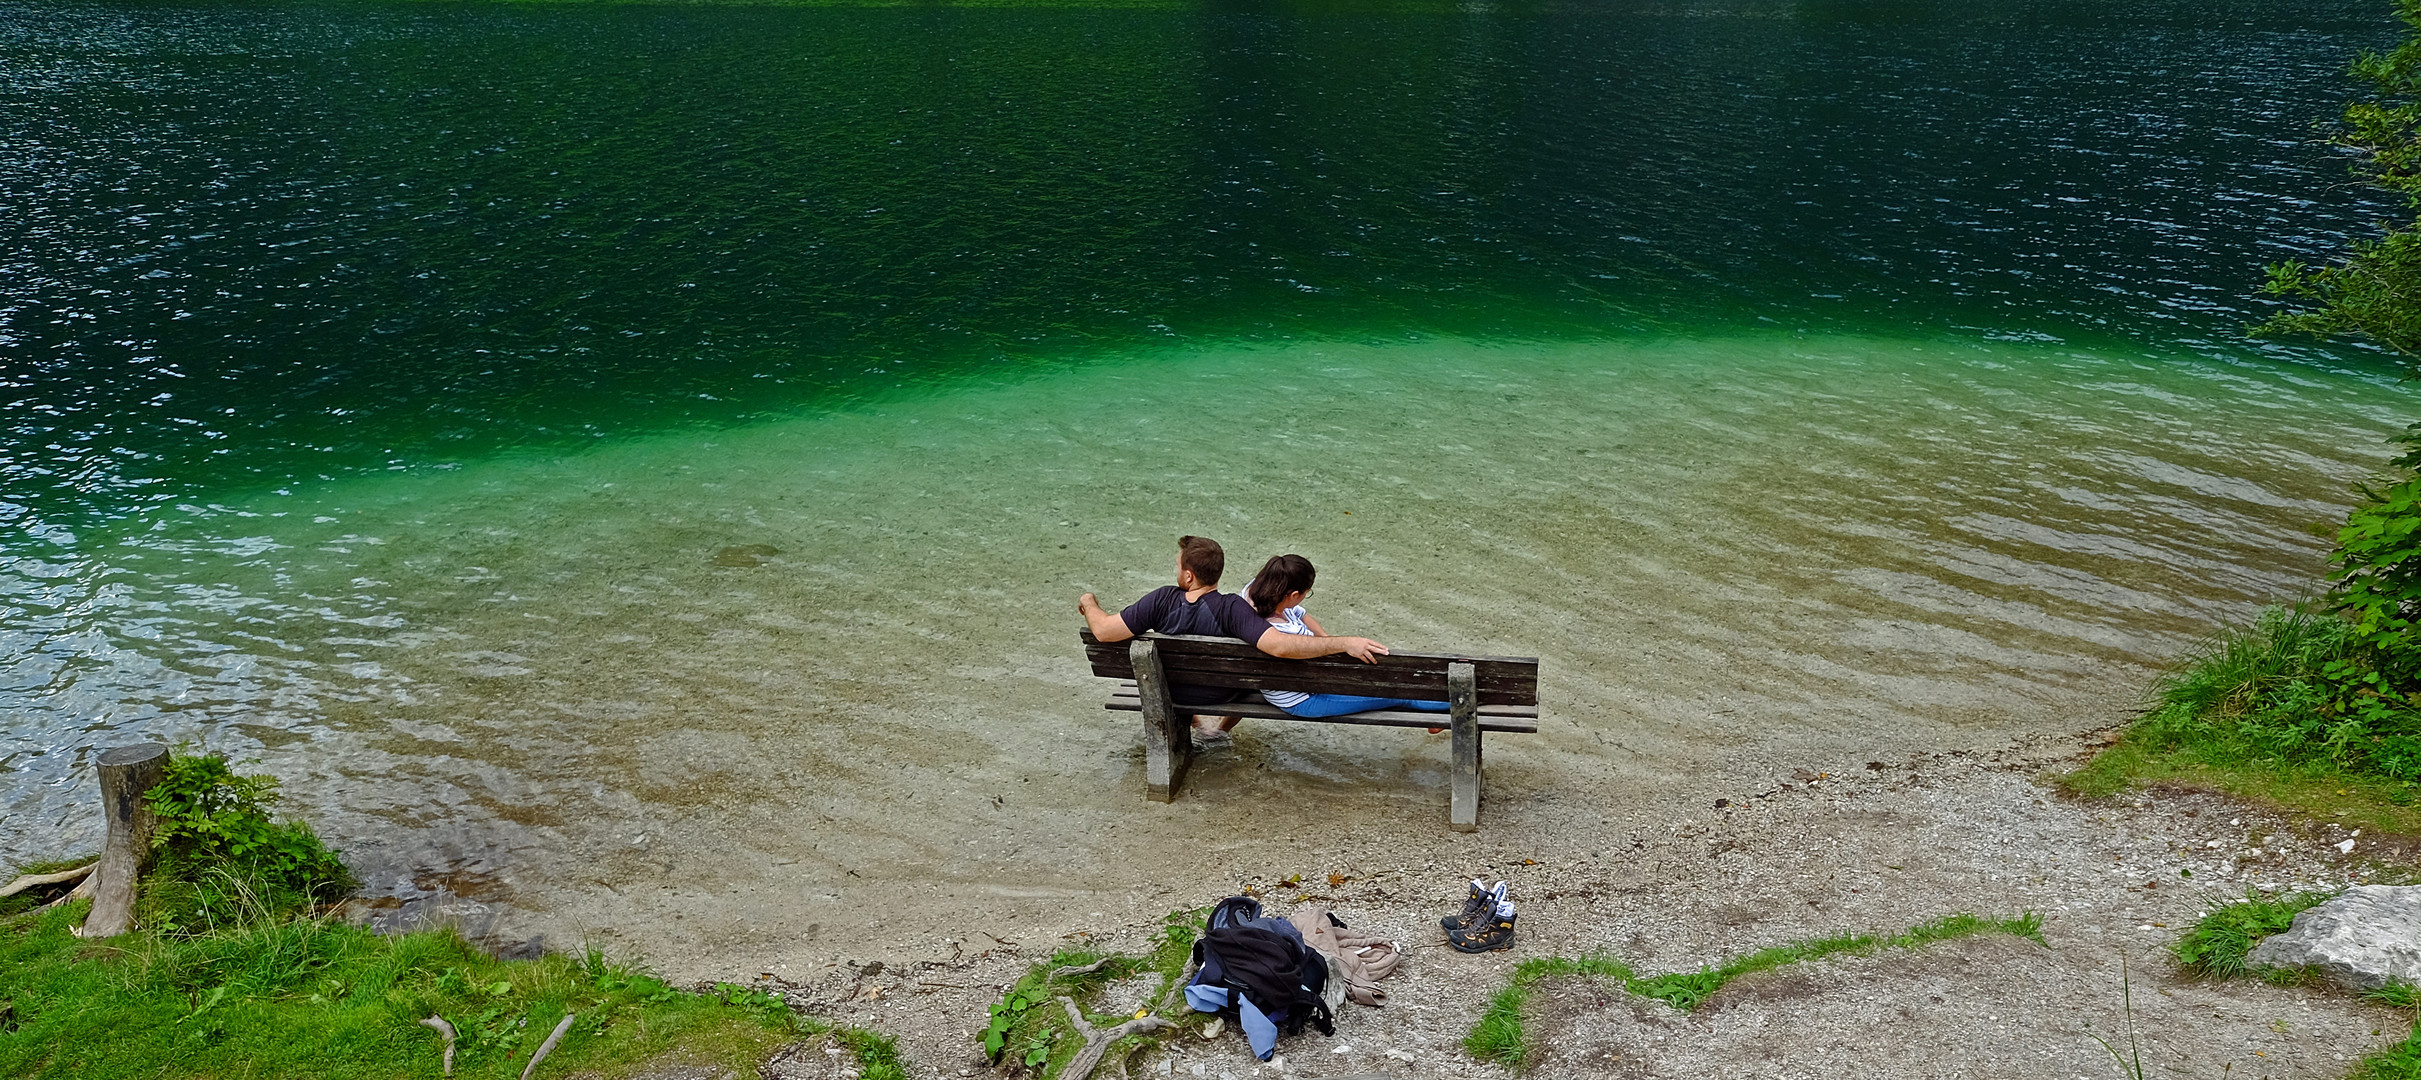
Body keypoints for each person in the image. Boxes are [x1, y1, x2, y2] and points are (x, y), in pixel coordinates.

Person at [1078, 536, 1389, 737]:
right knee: (1246, 671)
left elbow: (1104, 631)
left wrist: (1090, 602)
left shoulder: (1160, 600)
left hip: (1166, 690)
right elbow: (1279, 645)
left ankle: (1204, 732)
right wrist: (1344, 642)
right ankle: (1216, 731)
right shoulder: (1232, 608)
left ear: (1188, 575)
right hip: (1218, 696)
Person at [1239, 554, 1450, 720]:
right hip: (1303, 700)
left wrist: (1326, 639)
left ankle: (1440, 709)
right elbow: (1319, 668)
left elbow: (1300, 613)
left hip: (1283, 686)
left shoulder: (1253, 592)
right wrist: (1339, 647)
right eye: (1306, 593)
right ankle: (1458, 703)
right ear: (1293, 595)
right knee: (1401, 694)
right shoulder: (1288, 635)